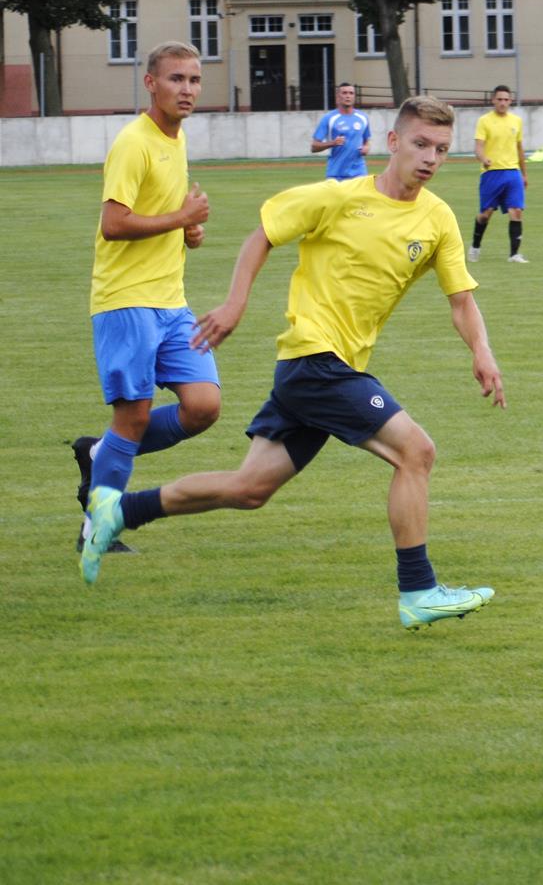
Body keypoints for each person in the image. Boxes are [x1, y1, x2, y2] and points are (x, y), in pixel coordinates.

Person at [78, 95, 507, 631]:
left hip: (325, 368)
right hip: (314, 359)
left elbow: (461, 299)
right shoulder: (337, 198)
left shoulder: (438, 218)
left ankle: (117, 512)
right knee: (416, 453)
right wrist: (235, 303)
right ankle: (419, 591)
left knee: (249, 489)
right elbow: (263, 234)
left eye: (441, 149)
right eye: (420, 144)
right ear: (393, 143)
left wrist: (482, 351)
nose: (430, 158)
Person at [71, 41, 218, 557]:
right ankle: (99, 524)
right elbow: (114, 224)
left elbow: (162, 215)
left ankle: (101, 451)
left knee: (203, 407)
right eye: (176, 79)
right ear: (151, 83)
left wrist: (186, 232)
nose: (188, 89)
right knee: (133, 416)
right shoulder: (134, 142)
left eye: (195, 80)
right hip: (126, 301)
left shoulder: (175, 140)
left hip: (171, 301)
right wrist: (180, 219)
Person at [470, 85, 528, 263]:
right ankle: (475, 247)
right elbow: (478, 147)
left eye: (506, 99)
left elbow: (519, 149)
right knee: (485, 214)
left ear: (510, 101)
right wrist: (483, 158)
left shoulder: (516, 121)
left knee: (516, 211)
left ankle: (514, 254)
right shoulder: (484, 121)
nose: (503, 103)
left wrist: (524, 174)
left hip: (513, 173)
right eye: (499, 99)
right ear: (493, 100)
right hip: (491, 173)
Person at [309, 82, 372, 180]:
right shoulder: (329, 118)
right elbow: (314, 147)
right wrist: (333, 143)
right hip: (336, 174)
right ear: (338, 96)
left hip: (359, 173)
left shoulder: (362, 117)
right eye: (344, 93)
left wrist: (366, 148)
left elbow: (366, 141)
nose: (348, 96)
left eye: (351, 93)